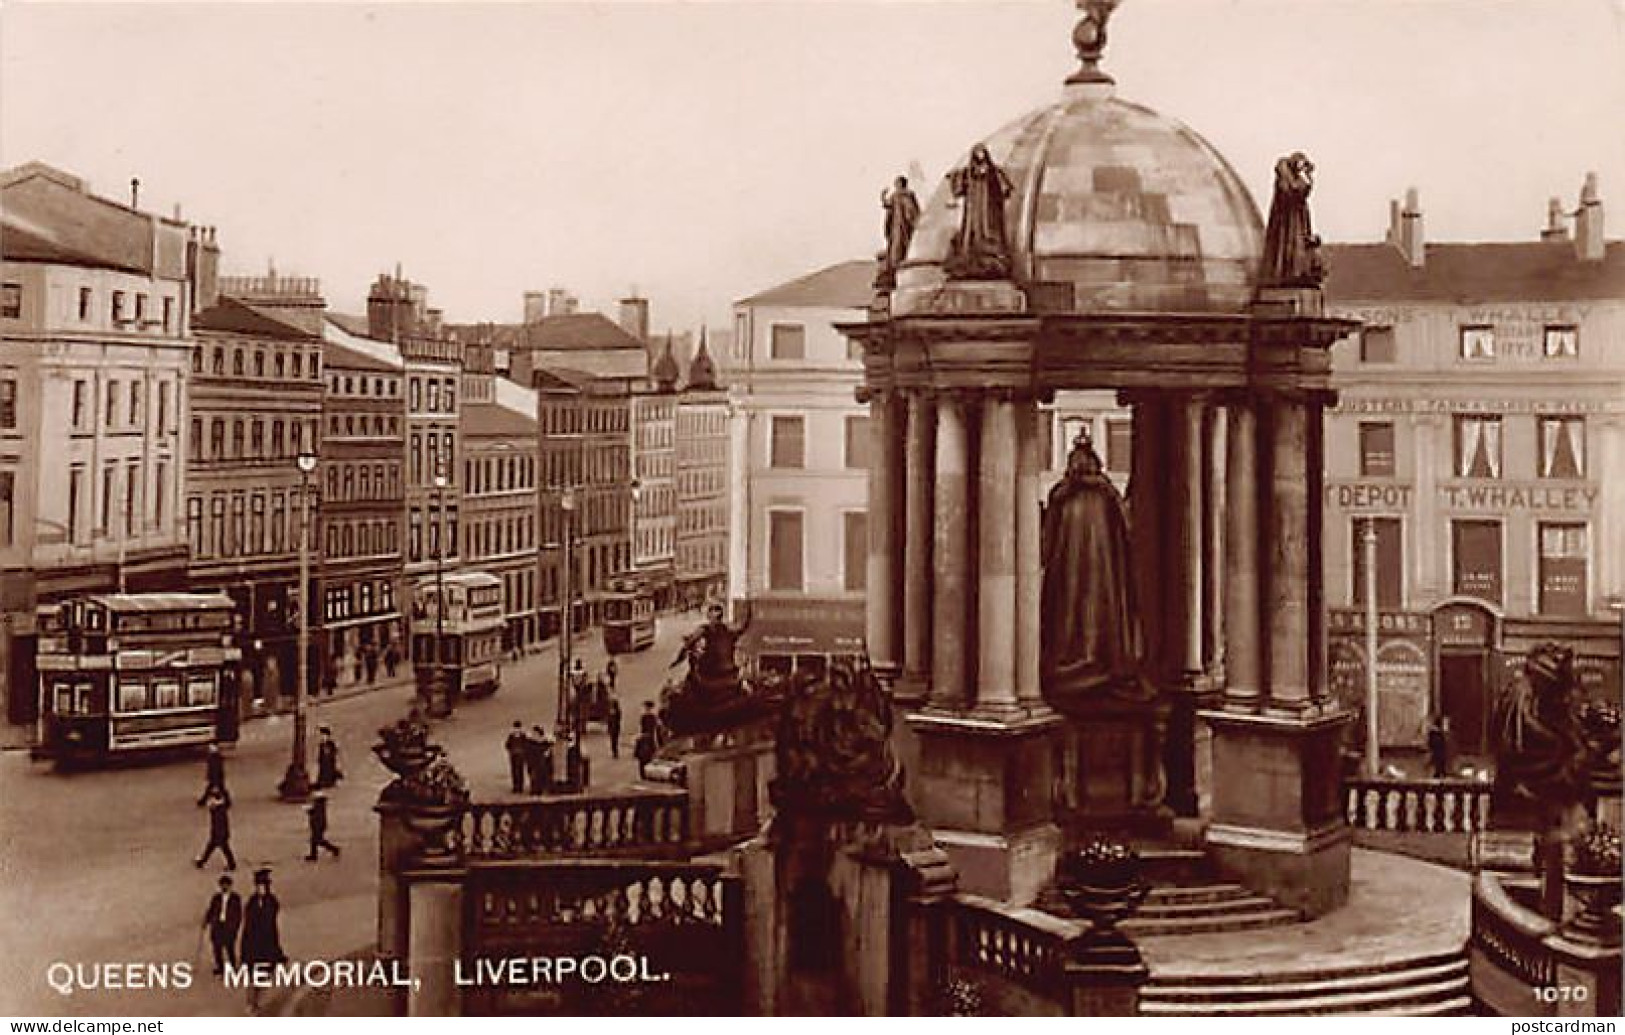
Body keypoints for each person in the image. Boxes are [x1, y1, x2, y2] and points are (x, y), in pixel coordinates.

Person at [1039, 430, 1146, 703]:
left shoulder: (1103, 494)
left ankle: (1097, 659)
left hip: (1102, 569)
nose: (1081, 467)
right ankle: (1078, 660)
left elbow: (1125, 528)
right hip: (1071, 568)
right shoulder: (1066, 495)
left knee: (1096, 608)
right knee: (1072, 609)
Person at [945, 143, 1015, 280]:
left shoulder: (993, 171)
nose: (980, 155)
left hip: (988, 208)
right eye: (978, 153)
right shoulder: (968, 173)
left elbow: (1004, 185)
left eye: (982, 152)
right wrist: (953, 178)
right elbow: (958, 184)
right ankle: (970, 256)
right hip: (973, 208)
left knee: (988, 230)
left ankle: (991, 257)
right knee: (972, 231)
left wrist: (1004, 188)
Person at [201, 874, 243, 975]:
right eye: (222, 885)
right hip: (217, 925)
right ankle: (220, 967)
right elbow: (211, 910)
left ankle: (232, 966)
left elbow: (238, 914)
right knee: (217, 948)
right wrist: (206, 921)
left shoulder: (235, 898)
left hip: (229, 926)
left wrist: (235, 926)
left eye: (226, 885)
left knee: (229, 947)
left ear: (230, 886)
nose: (224, 887)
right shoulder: (216, 898)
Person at [195, 784, 236, 870]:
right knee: (214, 847)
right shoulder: (220, 808)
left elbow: (218, 823)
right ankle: (202, 861)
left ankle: (231, 864)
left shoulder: (217, 810)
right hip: (220, 833)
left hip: (218, 833)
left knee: (221, 848)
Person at [304, 791, 341, 861]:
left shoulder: (318, 806)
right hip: (318, 825)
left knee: (317, 840)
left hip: (318, 825)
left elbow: (316, 816)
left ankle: (334, 849)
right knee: (315, 840)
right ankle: (313, 855)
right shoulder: (320, 806)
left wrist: (310, 812)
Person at [526, 725, 552, 795]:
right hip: (533, 762)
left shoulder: (545, 742)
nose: (533, 734)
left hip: (541, 762)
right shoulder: (530, 742)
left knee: (540, 776)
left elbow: (548, 750)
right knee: (533, 776)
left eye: (535, 733)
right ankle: (535, 790)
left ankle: (539, 789)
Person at [504, 721, 528, 794]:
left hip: (519, 755)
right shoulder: (513, 736)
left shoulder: (522, 736)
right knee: (515, 771)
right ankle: (516, 786)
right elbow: (507, 745)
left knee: (519, 771)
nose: (516, 730)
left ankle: (519, 787)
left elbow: (508, 745)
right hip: (514, 755)